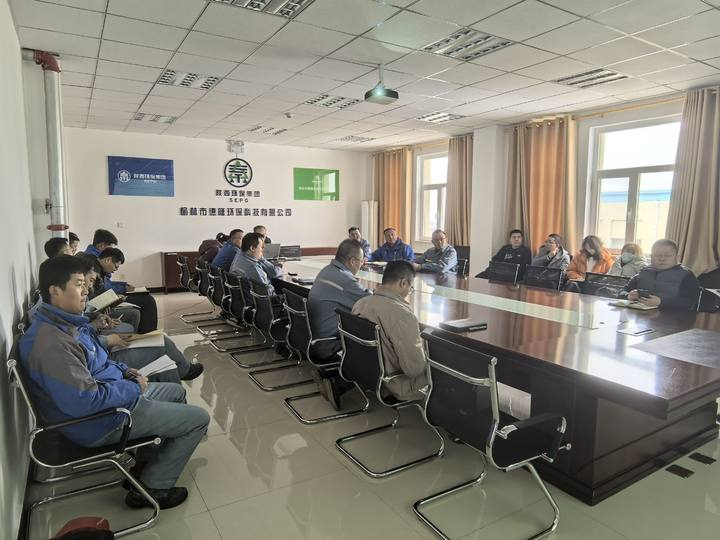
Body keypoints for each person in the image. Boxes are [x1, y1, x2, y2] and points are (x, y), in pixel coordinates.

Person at [18, 255, 210, 509]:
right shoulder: (51, 344)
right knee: (199, 419)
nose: (86, 291)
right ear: (55, 291)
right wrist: (132, 387)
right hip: (100, 420)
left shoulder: (64, 323)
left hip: (112, 396)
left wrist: (125, 370)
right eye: (79, 284)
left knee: (175, 391)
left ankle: (147, 464)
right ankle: (154, 487)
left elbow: (98, 361)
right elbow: (85, 402)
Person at [307, 239, 371, 408]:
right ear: (352, 261)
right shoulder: (344, 280)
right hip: (327, 343)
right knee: (373, 341)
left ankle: (330, 376)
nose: (362, 264)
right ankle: (338, 383)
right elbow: (370, 303)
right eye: (361, 261)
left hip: (313, 337)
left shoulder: (327, 271)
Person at [351, 260, 427, 401]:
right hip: (394, 383)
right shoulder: (402, 314)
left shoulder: (360, 303)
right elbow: (414, 369)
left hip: (366, 373)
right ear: (403, 283)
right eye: (411, 288)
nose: (410, 292)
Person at [618, 239, 701, 310]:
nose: (662, 259)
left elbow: (691, 302)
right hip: (641, 317)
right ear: (651, 257)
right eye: (657, 255)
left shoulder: (686, 275)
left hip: (674, 318)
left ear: (677, 257)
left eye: (667, 255)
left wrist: (661, 302)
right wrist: (628, 296)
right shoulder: (644, 272)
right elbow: (622, 292)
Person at [97, 247, 158, 334]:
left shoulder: (101, 269)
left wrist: (123, 286)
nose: (115, 270)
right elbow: (102, 290)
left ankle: (147, 334)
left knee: (147, 299)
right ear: (108, 260)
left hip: (108, 300)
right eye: (116, 266)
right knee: (147, 300)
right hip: (103, 304)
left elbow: (107, 285)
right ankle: (147, 334)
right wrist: (119, 292)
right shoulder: (95, 270)